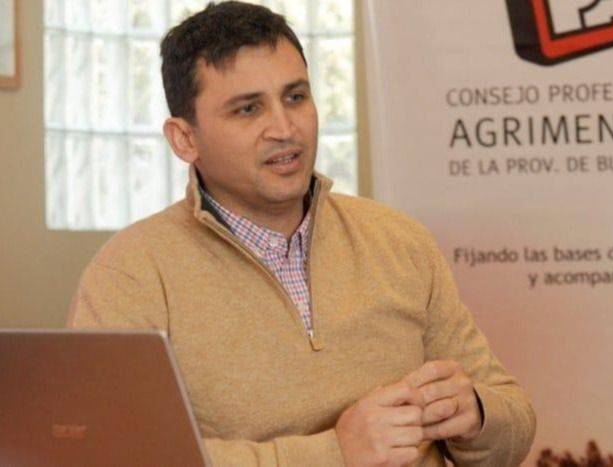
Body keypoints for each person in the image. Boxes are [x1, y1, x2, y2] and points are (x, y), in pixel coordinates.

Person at [68, 2, 536, 466]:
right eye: (248, 109)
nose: (285, 128)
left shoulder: (399, 241)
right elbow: (108, 455)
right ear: (184, 139)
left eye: (295, 97)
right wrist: (334, 453)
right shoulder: (131, 274)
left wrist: (476, 414)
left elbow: (513, 423)